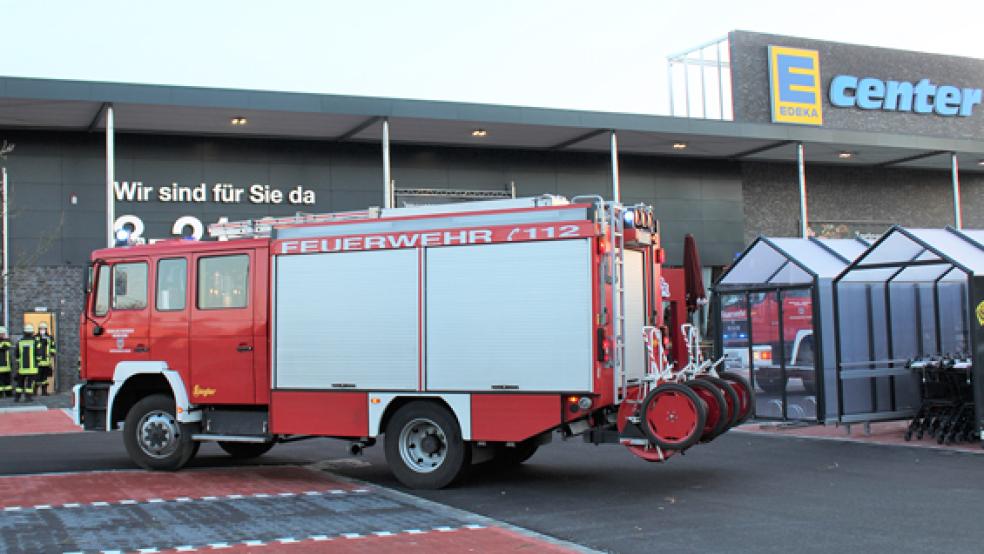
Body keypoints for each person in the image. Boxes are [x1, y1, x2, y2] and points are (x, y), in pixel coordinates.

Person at [14, 324, 37, 403]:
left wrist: (18, 363)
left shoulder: (19, 342)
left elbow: (16, 354)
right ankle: (28, 398)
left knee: (20, 383)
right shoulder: (35, 342)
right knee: (29, 384)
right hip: (32, 368)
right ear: (31, 332)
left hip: (22, 368)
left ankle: (17, 398)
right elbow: (38, 354)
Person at [34, 322, 55, 396]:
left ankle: (44, 391)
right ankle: (35, 391)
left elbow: (53, 348)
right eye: (41, 329)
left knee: (45, 378)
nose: (42, 330)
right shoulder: (35, 337)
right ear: (39, 329)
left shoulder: (49, 337)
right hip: (37, 362)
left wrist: (52, 353)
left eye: (44, 329)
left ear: (46, 329)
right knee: (36, 378)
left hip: (46, 362)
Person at [0, 328, 11, 399]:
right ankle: (1, 395)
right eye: (3, 334)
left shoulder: (6, 342)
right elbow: (5, 346)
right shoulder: (4, 342)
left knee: (7, 382)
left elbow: (7, 345)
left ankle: (8, 394)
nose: (4, 335)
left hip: (6, 367)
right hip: (2, 367)